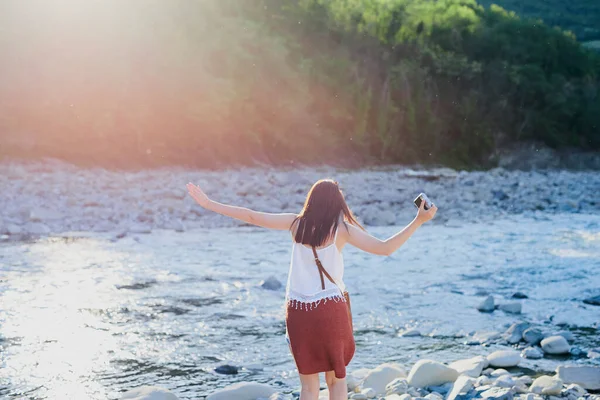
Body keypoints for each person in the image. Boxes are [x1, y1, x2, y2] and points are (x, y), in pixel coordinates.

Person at [186, 179, 437, 400]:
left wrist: (209, 204)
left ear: (312, 201)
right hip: (331, 310)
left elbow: (251, 215)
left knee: (308, 387)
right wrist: (418, 220)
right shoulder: (343, 229)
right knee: (336, 381)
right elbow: (385, 248)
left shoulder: (296, 224)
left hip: (298, 311)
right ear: (337, 203)